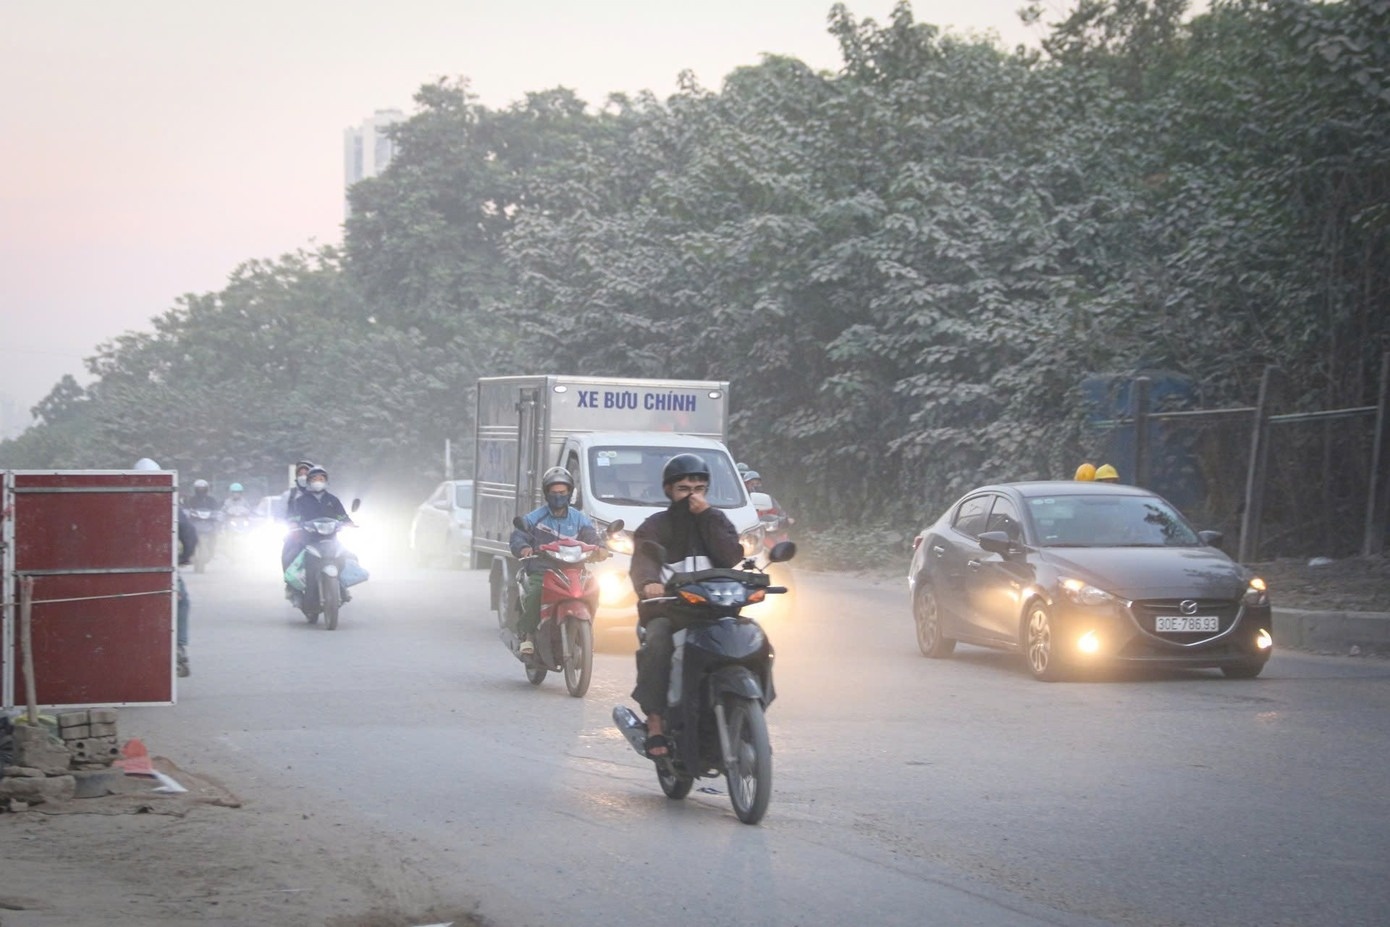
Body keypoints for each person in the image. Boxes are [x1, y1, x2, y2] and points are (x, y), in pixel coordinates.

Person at [629, 453, 742, 757]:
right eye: (684, 488)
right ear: (669, 490)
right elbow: (644, 561)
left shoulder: (716, 520)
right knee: (657, 642)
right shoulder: (654, 526)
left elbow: (731, 557)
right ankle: (655, 724)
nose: (692, 495)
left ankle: (745, 711)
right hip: (670, 609)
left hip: (715, 609)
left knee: (752, 637)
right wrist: (648, 584)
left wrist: (708, 517)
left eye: (699, 488)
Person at [509, 467, 601, 656]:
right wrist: (523, 547)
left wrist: (601, 549)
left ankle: (587, 627)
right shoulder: (536, 517)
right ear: (546, 494)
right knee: (535, 593)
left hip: (574, 570)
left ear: (569, 493)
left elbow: (592, 537)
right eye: (554, 493)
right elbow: (519, 535)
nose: (558, 496)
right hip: (543, 569)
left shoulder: (578, 518)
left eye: (562, 492)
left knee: (594, 588)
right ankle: (528, 636)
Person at [134, 457, 196, 677]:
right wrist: (184, 557)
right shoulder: (168, 501)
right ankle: (178, 647)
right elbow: (189, 534)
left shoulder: (123, 499)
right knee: (182, 600)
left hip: (127, 570)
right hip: (162, 568)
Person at [286, 466, 353, 609]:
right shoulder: (301, 501)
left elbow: (342, 515)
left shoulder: (333, 500)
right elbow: (294, 516)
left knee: (348, 556)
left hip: (331, 539)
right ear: (309, 482)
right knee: (291, 556)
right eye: (315, 479)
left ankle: (342, 587)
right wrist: (294, 523)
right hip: (308, 540)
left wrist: (348, 522)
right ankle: (295, 592)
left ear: (326, 481)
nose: (318, 482)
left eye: (321, 479)